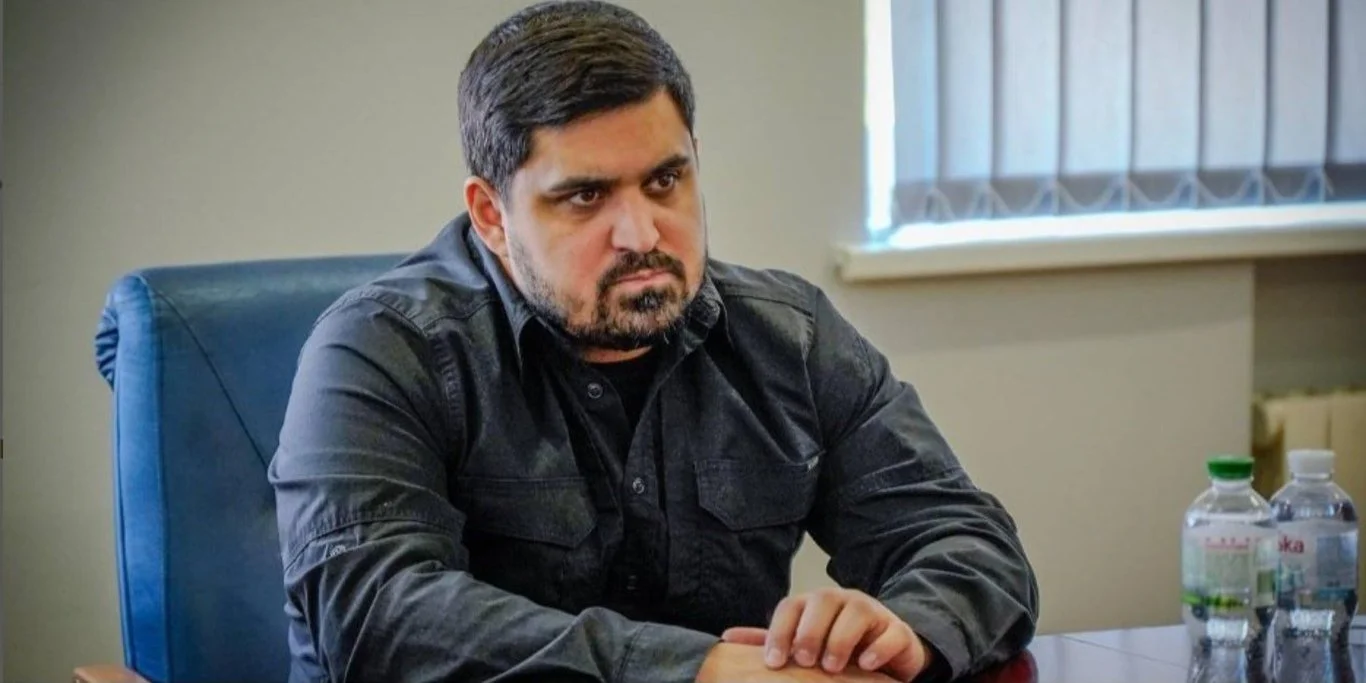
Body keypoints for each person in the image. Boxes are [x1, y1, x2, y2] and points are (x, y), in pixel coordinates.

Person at [268, 1, 1038, 681]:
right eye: (585, 196)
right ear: (493, 215)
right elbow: (374, 614)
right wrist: (698, 669)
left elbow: (968, 542)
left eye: (666, 181)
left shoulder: (790, 336)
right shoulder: (380, 348)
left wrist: (903, 631)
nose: (641, 234)